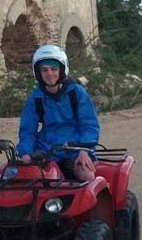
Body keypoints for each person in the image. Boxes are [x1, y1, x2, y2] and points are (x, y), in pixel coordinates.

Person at [17, 44, 101, 181]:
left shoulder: (76, 93)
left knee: (87, 176)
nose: (49, 73)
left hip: (76, 150)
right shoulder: (35, 98)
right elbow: (27, 130)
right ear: (38, 73)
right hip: (47, 151)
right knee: (26, 181)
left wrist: (84, 151)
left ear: (62, 69)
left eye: (54, 69)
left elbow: (89, 125)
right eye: (44, 70)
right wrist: (25, 154)